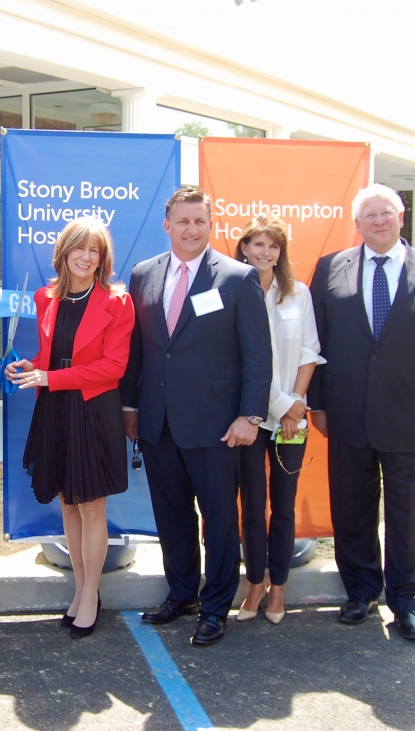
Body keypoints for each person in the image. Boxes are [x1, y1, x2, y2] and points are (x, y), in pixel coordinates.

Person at [308, 184, 415, 642]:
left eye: (386, 213)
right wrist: (317, 402)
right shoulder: (330, 268)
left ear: (401, 218)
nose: (378, 221)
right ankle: (360, 591)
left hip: (411, 419)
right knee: (352, 510)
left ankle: (405, 600)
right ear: (357, 224)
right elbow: (313, 343)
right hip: (346, 414)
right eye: (369, 216)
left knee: (404, 514)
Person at [119, 186, 272, 647]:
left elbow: (258, 356)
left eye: (200, 221)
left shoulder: (238, 277)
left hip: (218, 425)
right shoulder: (143, 274)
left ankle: (214, 606)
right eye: (183, 221)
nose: (191, 229)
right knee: (172, 516)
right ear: (167, 226)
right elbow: (138, 348)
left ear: (211, 225)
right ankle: (182, 593)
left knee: (219, 517)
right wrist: (130, 407)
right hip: (158, 422)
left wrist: (250, 415)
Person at [5, 217, 135, 639]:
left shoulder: (117, 301)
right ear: (64, 253)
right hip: (56, 409)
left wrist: (50, 378)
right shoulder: (47, 297)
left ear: (103, 259)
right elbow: (51, 355)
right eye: (79, 248)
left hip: (92, 411)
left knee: (92, 507)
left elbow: (113, 368)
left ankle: (90, 594)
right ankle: (81, 591)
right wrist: (32, 368)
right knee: (67, 504)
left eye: (94, 251)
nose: (86, 257)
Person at [233, 215, 324, 625]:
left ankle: (279, 589)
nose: (265, 253)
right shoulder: (234, 290)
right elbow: (243, 362)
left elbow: (310, 352)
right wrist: (284, 403)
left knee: (283, 507)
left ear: (280, 253)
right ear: (245, 249)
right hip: (253, 418)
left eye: (273, 246)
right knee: (252, 507)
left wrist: (297, 406)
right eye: (258, 245)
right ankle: (254, 584)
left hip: (291, 422)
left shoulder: (298, 293)